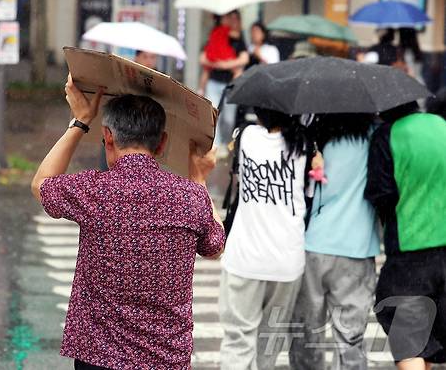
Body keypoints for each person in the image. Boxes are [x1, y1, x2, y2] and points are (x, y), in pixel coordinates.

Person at [31, 75, 226, 369]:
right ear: (161, 143)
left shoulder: (93, 191)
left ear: (108, 137)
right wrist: (198, 178)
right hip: (165, 359)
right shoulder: (189, 197)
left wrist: (81, 121)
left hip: (98, 356)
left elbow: (42, 184)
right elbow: (215, 246)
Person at [219, 107, 310, 370]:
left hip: (245, 258)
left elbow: (232, 144)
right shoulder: (304, 143)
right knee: (269, 345)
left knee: (238, 340)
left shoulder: (247, 136)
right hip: (286, 261)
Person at [289, 113, 380, 370]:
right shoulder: (373, 136)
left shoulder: (314, 138)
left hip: (314, 245)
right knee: (351, 338)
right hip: (358, 248)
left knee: (307, 334)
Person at [365, 102, 446, 370]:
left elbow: (382, 194)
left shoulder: (387, 135)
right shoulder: (441, 125)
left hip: (410, 250)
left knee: (408, 336)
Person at [198, 10, 249, 154]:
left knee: (228, 118)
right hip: (214, 82)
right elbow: (203, 57)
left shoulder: (239, 38)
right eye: (228, 17)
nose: (231, 20)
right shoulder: (215, 33)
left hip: (231, 84)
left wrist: (225, 64)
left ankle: (226, 143)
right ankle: (216, 145)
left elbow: (244, 59)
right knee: (213, 114)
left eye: (234, 18)